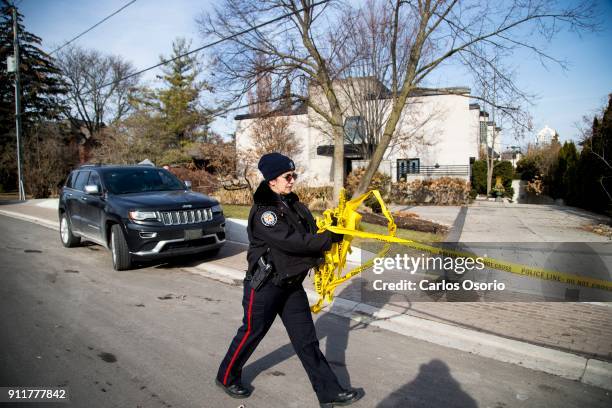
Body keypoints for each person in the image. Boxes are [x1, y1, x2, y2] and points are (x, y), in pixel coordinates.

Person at [215, 153, 362, 407]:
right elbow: (293, 242)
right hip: (265, 287)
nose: (292, 180)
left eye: (294, 175)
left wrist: (334, 227)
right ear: (272, 180)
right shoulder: (265, 212)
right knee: (252, 332)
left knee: (307, 340)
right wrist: (328, 240)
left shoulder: (294, 204)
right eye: (287, 176)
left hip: (291, 285)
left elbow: (311, 230)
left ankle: (330, 392)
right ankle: (226, 376)